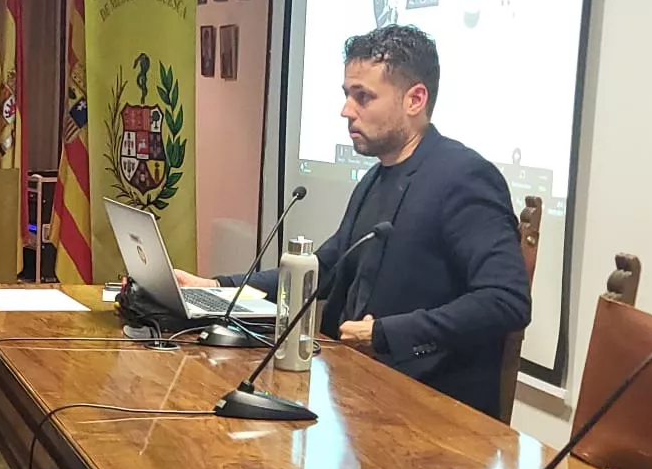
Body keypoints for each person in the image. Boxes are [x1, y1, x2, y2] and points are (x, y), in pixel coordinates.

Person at [177, 25, 528, 417]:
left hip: (429, 409)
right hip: (354, 392)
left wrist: (386, 333)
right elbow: (323, 268)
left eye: (363, 97)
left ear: (415, 99)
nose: (347, 110)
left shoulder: (464, 178)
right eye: (347, 95)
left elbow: (506, 300)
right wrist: (218, 288)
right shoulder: (376, 178)